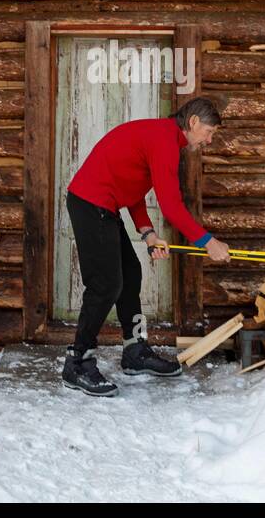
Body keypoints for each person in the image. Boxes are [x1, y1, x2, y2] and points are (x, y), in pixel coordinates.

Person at [61, 96, 231, 396]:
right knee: (106, 285)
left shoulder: (163, 139)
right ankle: (77, 362)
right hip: (90, 204)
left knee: (131, 274)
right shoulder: (164, 142)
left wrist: (148, 234)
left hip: (105, 206)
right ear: (192, 122)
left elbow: (134, 188)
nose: (209, 139)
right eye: (209, 131)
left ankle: (134, 352)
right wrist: (208, 242)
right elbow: (172, 207)